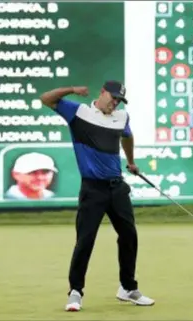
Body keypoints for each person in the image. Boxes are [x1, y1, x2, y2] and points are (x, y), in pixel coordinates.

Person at [40, 80, 155, 312]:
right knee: (85, 240)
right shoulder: (78, 112)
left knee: (129, 236)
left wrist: (131, 161)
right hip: (92, 189)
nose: (114, 103)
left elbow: (127, 136)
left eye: (118, 100)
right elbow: (46, 98)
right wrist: (72, 89)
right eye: (112, 97)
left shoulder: (122, 117)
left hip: (117, 187)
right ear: (102, 93)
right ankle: (75, 292)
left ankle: (128, 287)